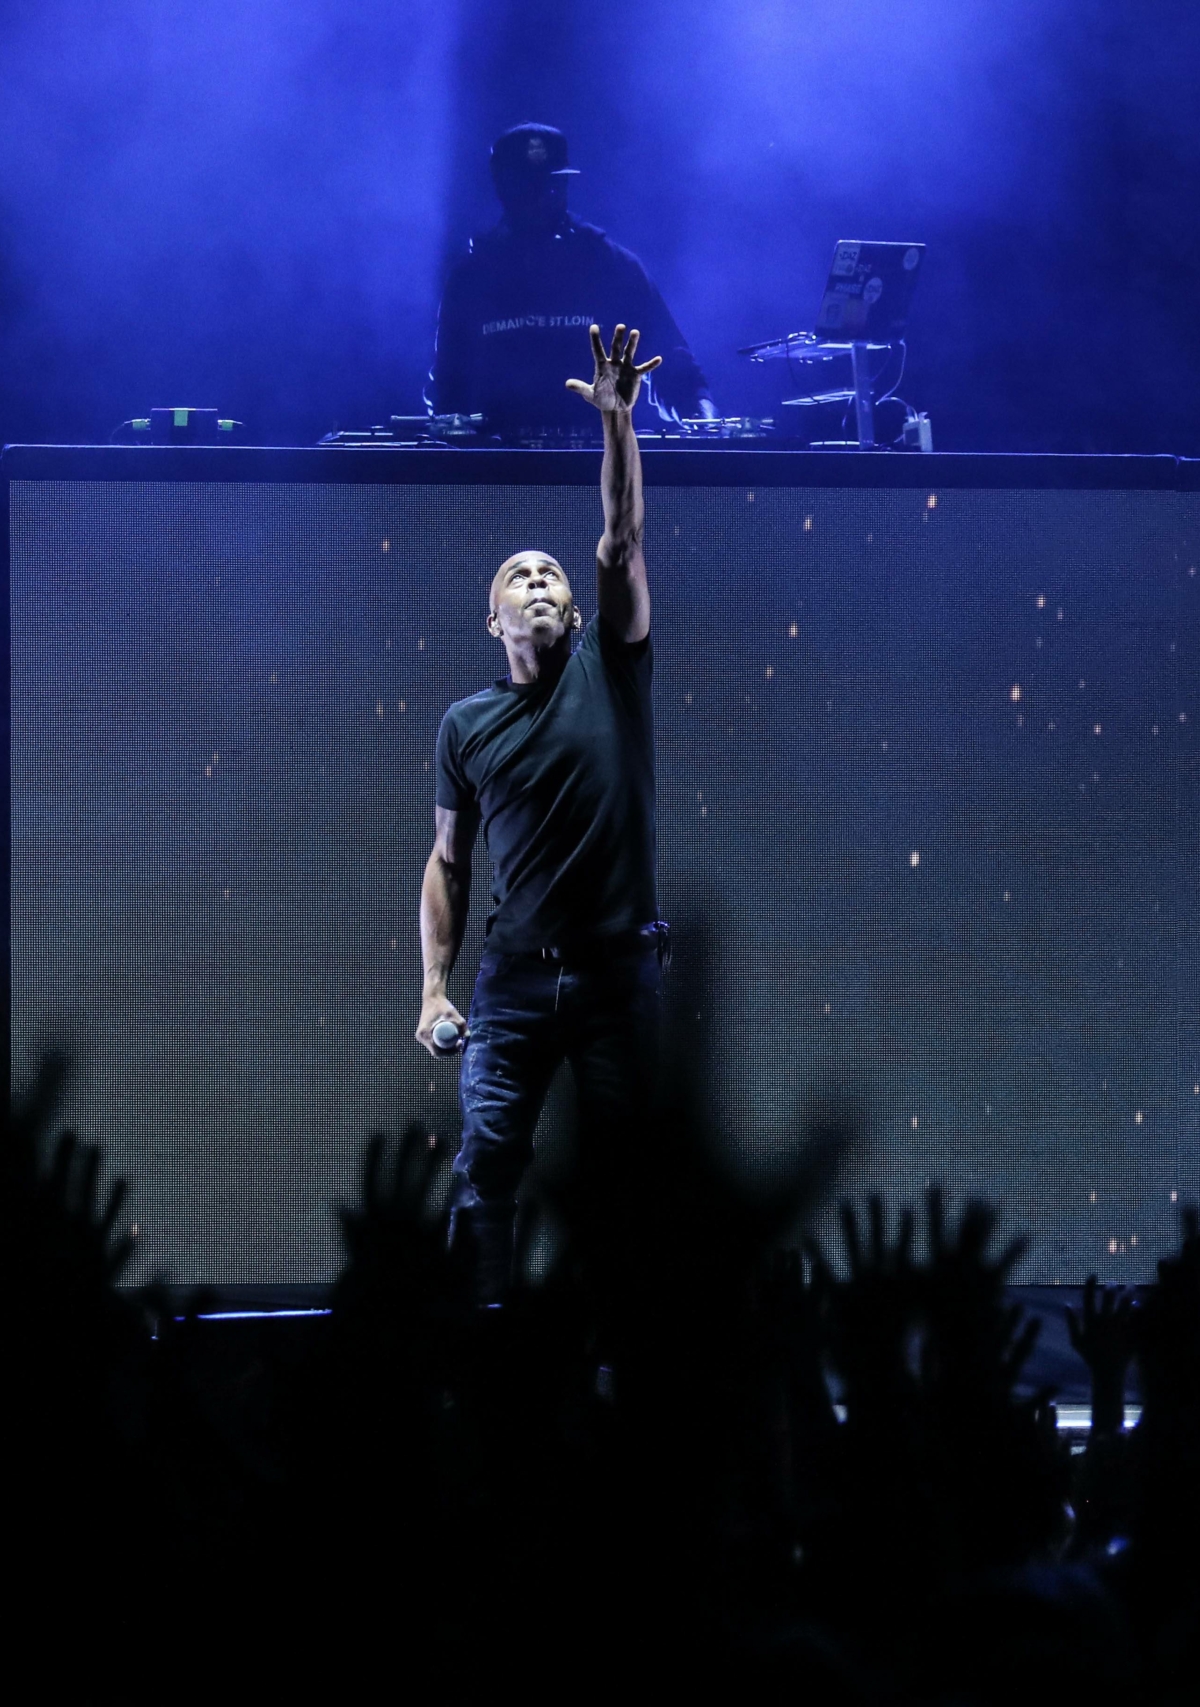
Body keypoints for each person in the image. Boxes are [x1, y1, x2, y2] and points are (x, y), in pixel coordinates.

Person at [418, 323, 668, 1298]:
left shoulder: (613, 667)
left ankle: (627, 1358)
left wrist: (615, 423)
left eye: (552, 574)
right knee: (486, 1168)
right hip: (515, 982)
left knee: (631, 1181)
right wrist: (433, 989)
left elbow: (621, 536)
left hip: (616, 975)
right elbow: (447, 861)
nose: (540, 581)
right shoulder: (466, 723)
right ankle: (476, 1344)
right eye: (520, 576)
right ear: (495, 618)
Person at [425, 123, 713, 442]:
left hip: (595, 462)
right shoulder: (471, 277)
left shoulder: (612, 266)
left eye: (554, 184)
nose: (544, 196)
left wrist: (705, 421)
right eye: (530, 187)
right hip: (496, 466)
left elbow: (670, 363)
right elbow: (448, 389)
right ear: (502, 187)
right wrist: (455, 448)